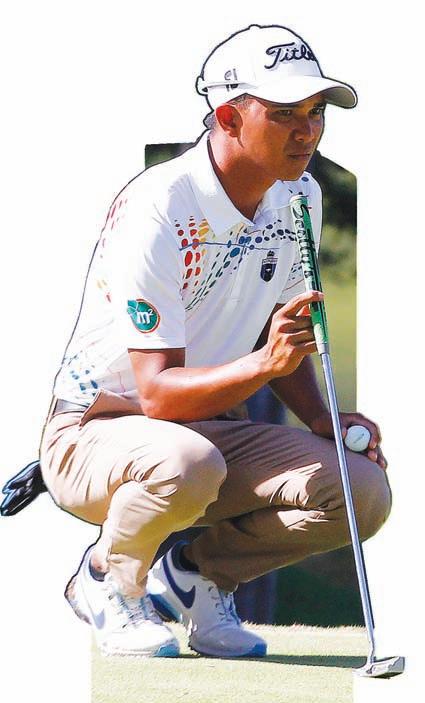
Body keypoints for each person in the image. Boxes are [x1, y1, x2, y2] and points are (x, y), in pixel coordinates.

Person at [39, 24, 391, 659]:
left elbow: (282, 333)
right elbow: (157, 395)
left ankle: (197, 580)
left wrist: (322, 418)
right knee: (186, 463)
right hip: (94, 433)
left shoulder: (299, 196)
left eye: (316, 112)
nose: (308, 131)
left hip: (205, 434)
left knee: (360, 489)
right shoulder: (161, 204)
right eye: (284, 113)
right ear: (229, 117)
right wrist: (264, 363)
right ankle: (107, 579)